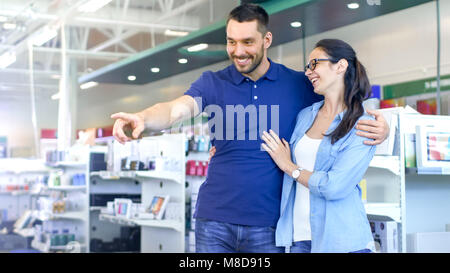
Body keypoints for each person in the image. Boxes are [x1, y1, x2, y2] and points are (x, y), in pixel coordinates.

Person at [111, 4, 388, 253]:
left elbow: (346, 106)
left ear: (267, 39)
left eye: (247, 42)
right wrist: (143, 118)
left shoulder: (299, 85)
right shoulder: (212, 83)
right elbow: (174, 110)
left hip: (269, 224)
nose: (238, 51)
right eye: (231, 42)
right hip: (214, 220)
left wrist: (385, 129)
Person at [261, 39, 378, 253]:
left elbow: (334, 186)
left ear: (340, 66)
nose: (308, 72)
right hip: (298, 238)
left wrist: (289, 166)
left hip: (341, 241)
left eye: (314, 64)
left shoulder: (363, 124)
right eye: (307, 66)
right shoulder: (306, 116)